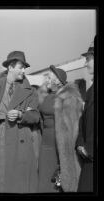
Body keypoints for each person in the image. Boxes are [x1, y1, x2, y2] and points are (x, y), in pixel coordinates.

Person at [0, 51, 41, 193]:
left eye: (25, 67)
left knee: (18, 183)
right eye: (21, 67)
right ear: (10, 67)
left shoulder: (30, 91)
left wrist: (21, 114)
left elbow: (35, 116)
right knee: (0, 179)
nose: (24, 70)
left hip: (20, 139)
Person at [38, 65, 83, 192]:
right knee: (44, 180)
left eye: (49, 77)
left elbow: (72, 126)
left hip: (58, 145)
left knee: (57, 182)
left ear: (58, 80)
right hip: (44, 144)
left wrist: (66, 150)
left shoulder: (69, 97)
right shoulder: (44, 95)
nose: (46, 80)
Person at [76, 36, 96, 192]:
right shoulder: (90, 89)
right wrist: (81, 143)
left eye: (88, 59)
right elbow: (84, 120)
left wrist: (89, 147)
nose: (85, 63)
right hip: (88, 156)